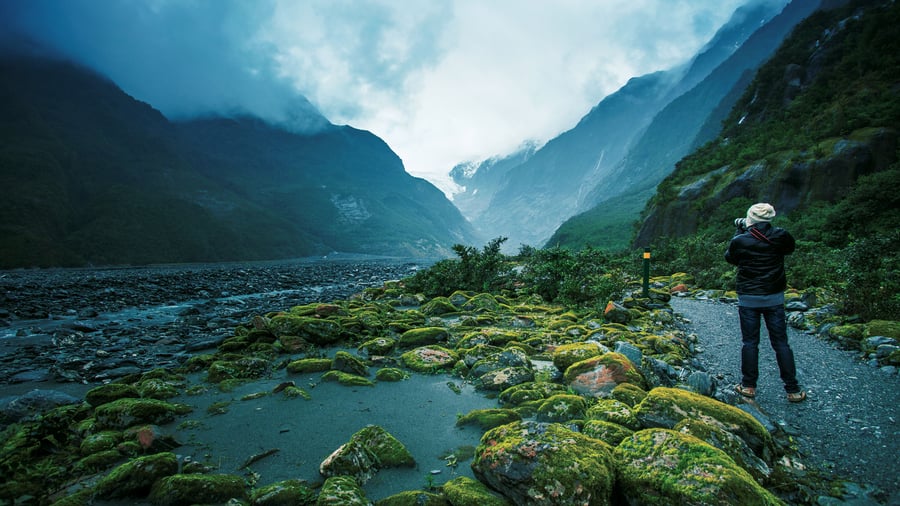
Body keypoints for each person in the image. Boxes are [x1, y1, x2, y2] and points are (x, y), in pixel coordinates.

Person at [725, 202, 806, 402]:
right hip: (774, 297)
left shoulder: (741, 240)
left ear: (750, 219)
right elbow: (789, 249)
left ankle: (748, 386)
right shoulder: (781, 236)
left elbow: (731, 258)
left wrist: (738, 232)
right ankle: (793, 390)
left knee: (750, 342)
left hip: (749, 298)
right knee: (781, 343)